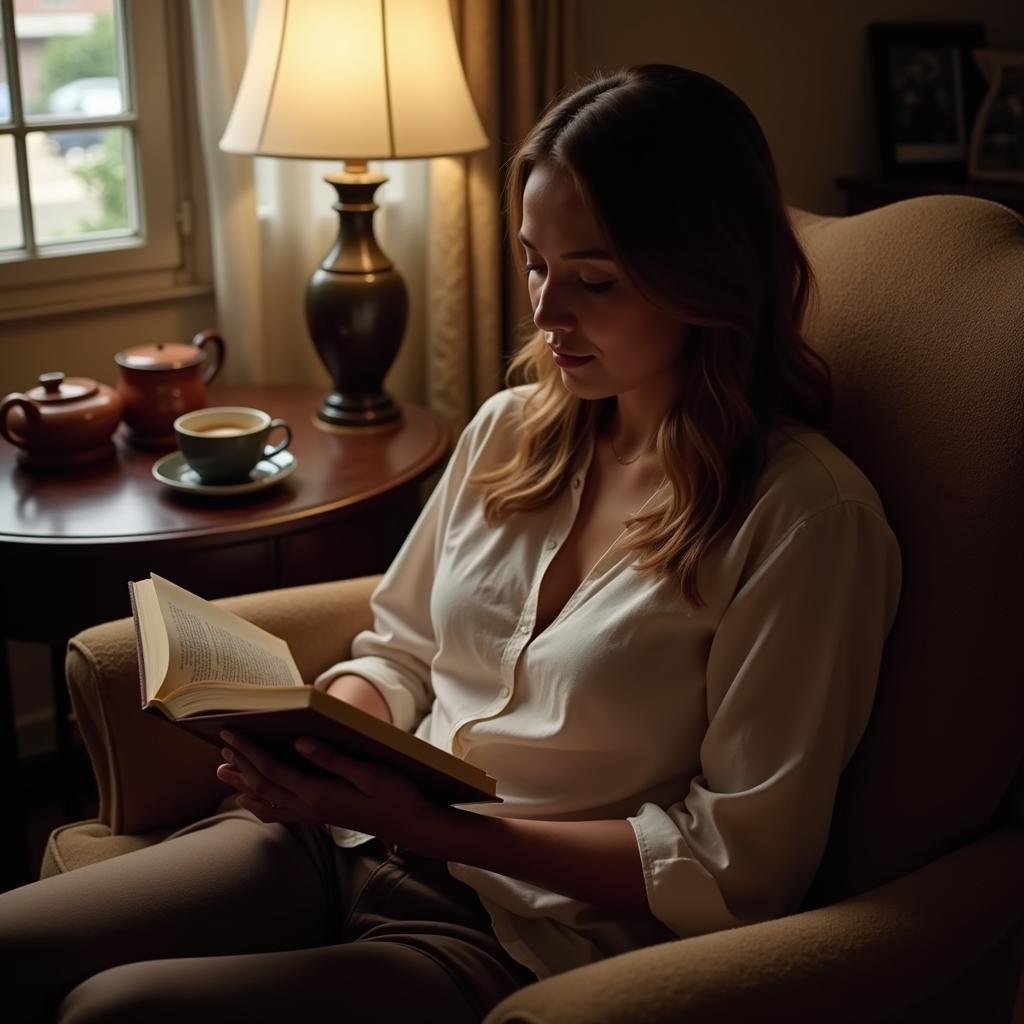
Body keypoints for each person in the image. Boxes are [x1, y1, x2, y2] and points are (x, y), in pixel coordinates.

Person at [1, 63, 901, 1023]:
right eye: (534, 263)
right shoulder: (512, 429)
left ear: (707, 277)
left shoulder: (804, 521)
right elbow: (399, 650)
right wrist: (322, 744)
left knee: (113, 1013)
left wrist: (436, 826)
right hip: (340, 841)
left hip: (518, 932)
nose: (548, 313)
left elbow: (736, 868)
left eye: (593, 279)